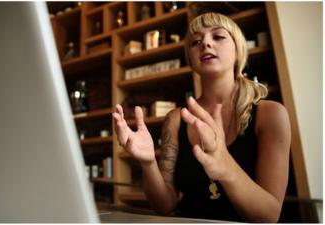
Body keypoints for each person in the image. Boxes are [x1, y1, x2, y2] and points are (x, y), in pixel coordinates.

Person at [112, 12, 291, 222]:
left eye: (218, 36)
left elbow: (269, 216)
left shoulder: (271, 114)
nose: (205, 43)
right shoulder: (176, 119)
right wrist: (148, 163)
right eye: (196, 41)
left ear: (238, 50)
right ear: (190, 58)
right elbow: (164, 206)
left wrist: (225, 166)